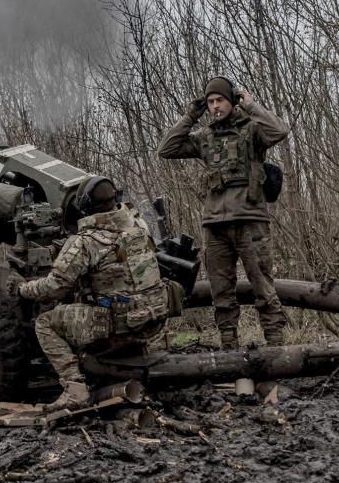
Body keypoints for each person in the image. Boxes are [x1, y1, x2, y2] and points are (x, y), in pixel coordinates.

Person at [17, 176, 178, 410]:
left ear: (84, 207)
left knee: (45, 323)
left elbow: (54, 288)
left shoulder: (85, 242)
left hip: (119, 327)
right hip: (153, 321)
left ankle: (75, 389)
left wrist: (23, 289)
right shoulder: (138, 225)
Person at [158, 76, 289, 349]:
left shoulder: (253, 130)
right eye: (211, 102)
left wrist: (252, 106)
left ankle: (276, 347)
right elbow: (166, 149)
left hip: (250, 221)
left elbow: (279, 131)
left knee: (263, 286)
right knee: (221, 291)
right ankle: (229, 347)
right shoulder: (205, 137)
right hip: (215, 225)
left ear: (232, 101)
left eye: (220, 100)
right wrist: (191, 115)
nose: (215, 106)